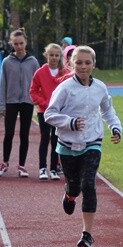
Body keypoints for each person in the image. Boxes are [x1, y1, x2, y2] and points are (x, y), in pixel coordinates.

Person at [44, 45, 122, 247]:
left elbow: (107, 110)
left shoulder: (100, 88)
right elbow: (49, 114)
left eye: (88, 62)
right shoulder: (65, 88)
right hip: (68, 144)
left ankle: (87, 234)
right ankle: (70, 194)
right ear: (71, 64)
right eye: (79, 62)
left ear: (94, 64)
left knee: (89, 184)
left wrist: (115, 127)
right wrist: (69, 122)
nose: (83, 66)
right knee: (75, 186)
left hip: (93, 141)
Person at [0, 29, 40, 177]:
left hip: (27, 102)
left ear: (26, 43)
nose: (19, 46)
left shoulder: (33, 62)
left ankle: (22, 165)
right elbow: (2, 84)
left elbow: (37, 83)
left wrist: (36, 99)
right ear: (12, 44)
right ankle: (4, 162)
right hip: (11, 101)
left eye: (21, 43)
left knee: (24, 134)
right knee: (8, 133)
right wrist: (2, 105)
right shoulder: (7, 62)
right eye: (16, 44)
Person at [30, 43, 70, 181]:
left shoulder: (65, 73)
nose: (53, 58)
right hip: (44, 112)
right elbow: (33, 91)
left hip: (60, 112)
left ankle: (54, 168)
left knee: (56, 139)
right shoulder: (40, 72)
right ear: (46, 55)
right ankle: (42, 168)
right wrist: (44, 102)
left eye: (56, 55)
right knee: (44, 138)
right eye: (51, 55)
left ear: (60, 57)